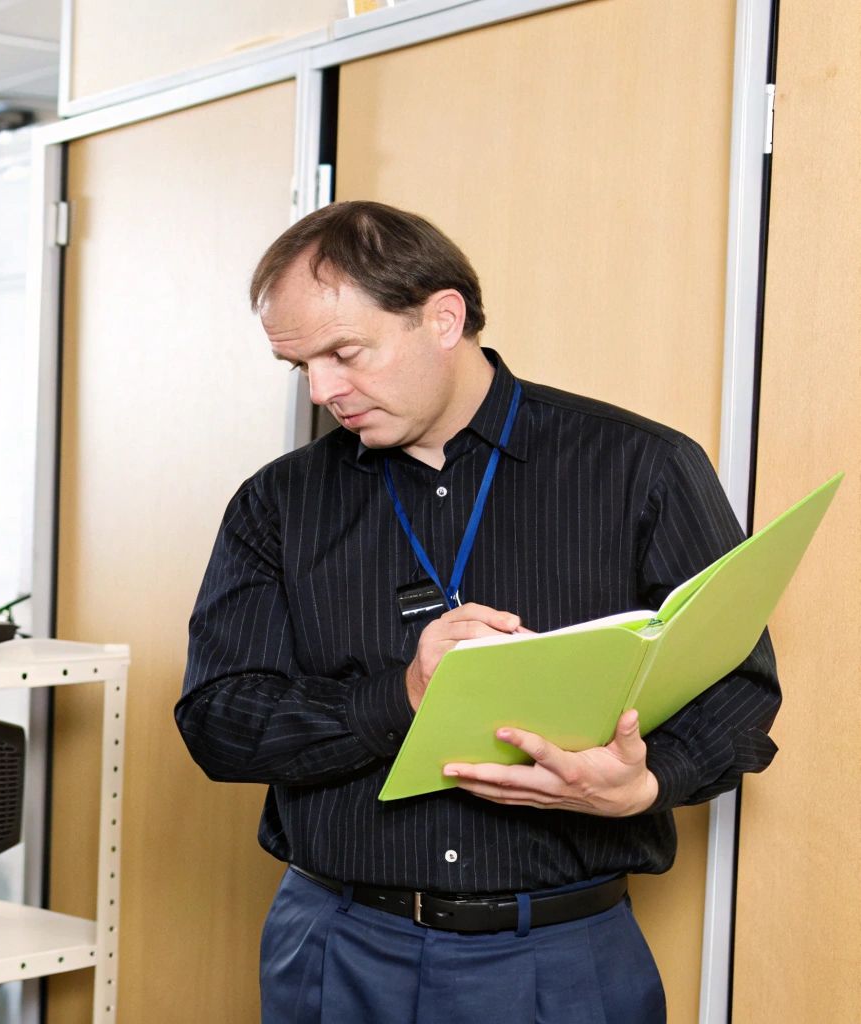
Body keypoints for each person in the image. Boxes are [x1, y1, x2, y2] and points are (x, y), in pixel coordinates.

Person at [175, 200, 779, 1022]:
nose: (324, 391)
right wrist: (403, 697)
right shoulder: (276, 504)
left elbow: (740, 687)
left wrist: (648, 785)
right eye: (301, 368)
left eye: (345, 353)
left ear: (442, 317)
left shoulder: (643, 468)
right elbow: (218, 720)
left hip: (563, 956)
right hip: (337, 946)